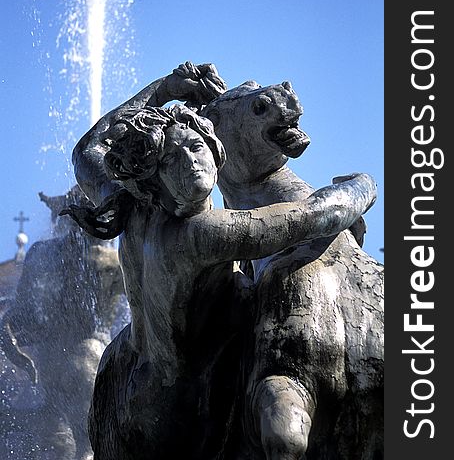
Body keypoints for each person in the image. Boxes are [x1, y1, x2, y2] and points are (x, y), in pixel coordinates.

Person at [64, 101, 377, 460]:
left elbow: (87, 151)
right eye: (172, 159)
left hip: (125, 379)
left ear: (215, 149)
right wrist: (363, 186)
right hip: (187, 408)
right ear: (157, 173)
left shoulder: (131, 207)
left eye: (196, 148)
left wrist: (169, 85)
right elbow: (316, 215)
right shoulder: (203, 233)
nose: (190, 163)